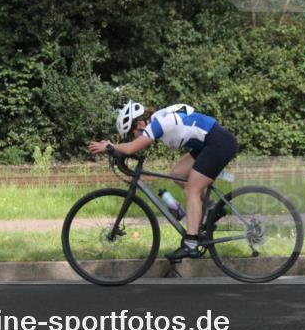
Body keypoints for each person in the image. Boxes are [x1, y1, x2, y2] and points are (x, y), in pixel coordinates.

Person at [87, 101, 239, 260]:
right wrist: (116, 150)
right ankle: (214, 208)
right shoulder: (158, 120)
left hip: (218, 144)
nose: (134, 137)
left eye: (132, 133)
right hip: (209, 143)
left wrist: (109, 146)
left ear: (139, 123)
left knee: (192, 190)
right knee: (178, 173)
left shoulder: (157, 125)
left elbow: (132, 147)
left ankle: (191, 244)